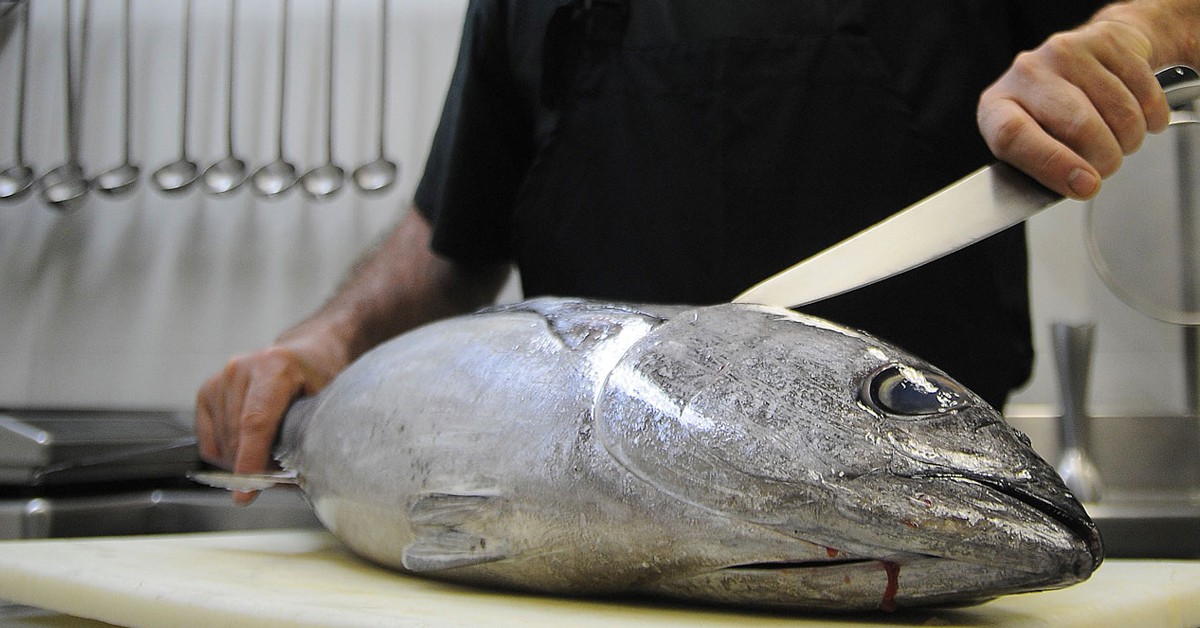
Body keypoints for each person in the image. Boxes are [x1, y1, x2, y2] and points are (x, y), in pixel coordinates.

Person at [196, 0, 1200, 503]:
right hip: (588, 526)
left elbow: (1177, 16)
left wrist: (1129, 33)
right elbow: (451, 240)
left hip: (908, 523)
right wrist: (325, 342)